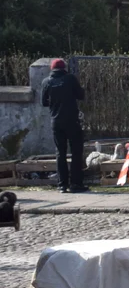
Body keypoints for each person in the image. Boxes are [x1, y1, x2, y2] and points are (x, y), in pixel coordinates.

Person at [41, 58, 88, 193]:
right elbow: (80, 95)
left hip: (56, 121)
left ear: (52, 69)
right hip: (72, 120)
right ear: (64, 68)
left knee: (60, 153)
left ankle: (62, 185)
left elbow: (43, 102)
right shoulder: (70, 79)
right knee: (76, 152)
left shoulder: (46, 82)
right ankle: (76, 184)